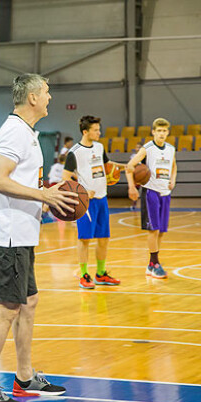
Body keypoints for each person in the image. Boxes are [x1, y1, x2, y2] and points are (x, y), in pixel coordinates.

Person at [0, 74, 79, 402]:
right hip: (8, 238)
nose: (50, 96)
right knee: (6, 310)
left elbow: (19, 181)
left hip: (23, 234)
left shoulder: (27, 133)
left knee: (28, 302)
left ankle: (24, 377)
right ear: (32, 97)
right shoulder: (15, 132)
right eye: (46, 91)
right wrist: (41, 194)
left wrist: (46, 198)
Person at [63, 115, 123, 289]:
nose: (99, 132)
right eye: (96, 130)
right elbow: (65, 177)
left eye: (99, 129)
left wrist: (126, 167)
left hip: (102, 198)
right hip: (85, 202)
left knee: (104, 238)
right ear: (85, 132)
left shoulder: (99, 147)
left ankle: (101, 274)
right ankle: (84, 275)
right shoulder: (74, 152)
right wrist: (82, 190)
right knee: (85, 239)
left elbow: (107, 164)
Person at [126, 117, 177, 279]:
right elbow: (130, 167)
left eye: (164, 131)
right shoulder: (147, 148)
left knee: (161, 231)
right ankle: (155, 264)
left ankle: (151, 264)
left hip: (165, 193)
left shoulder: (171, 149)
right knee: (153, 230)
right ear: (153, 132)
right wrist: (132, 186)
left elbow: (174, 166)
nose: (162, 133)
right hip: (151, 192)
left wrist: (173, 180)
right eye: (159, 131)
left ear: (168, 132)